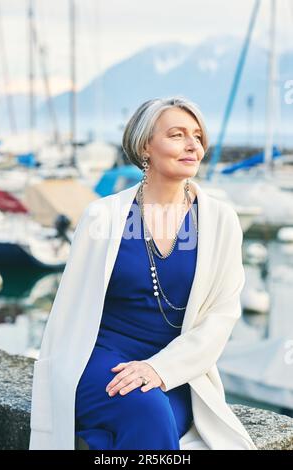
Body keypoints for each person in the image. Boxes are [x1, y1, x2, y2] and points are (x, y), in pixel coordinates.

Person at [29, 96, 257, 450]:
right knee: (147, 410)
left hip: (179, 369)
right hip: (101, 359)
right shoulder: (102, 217)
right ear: (145, 145)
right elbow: (69, 314)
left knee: (129, 426)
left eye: (197, 136)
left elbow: (221, 316)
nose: (192, 145)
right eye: (177, 134)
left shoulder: (221, 220)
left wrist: (161, 369)